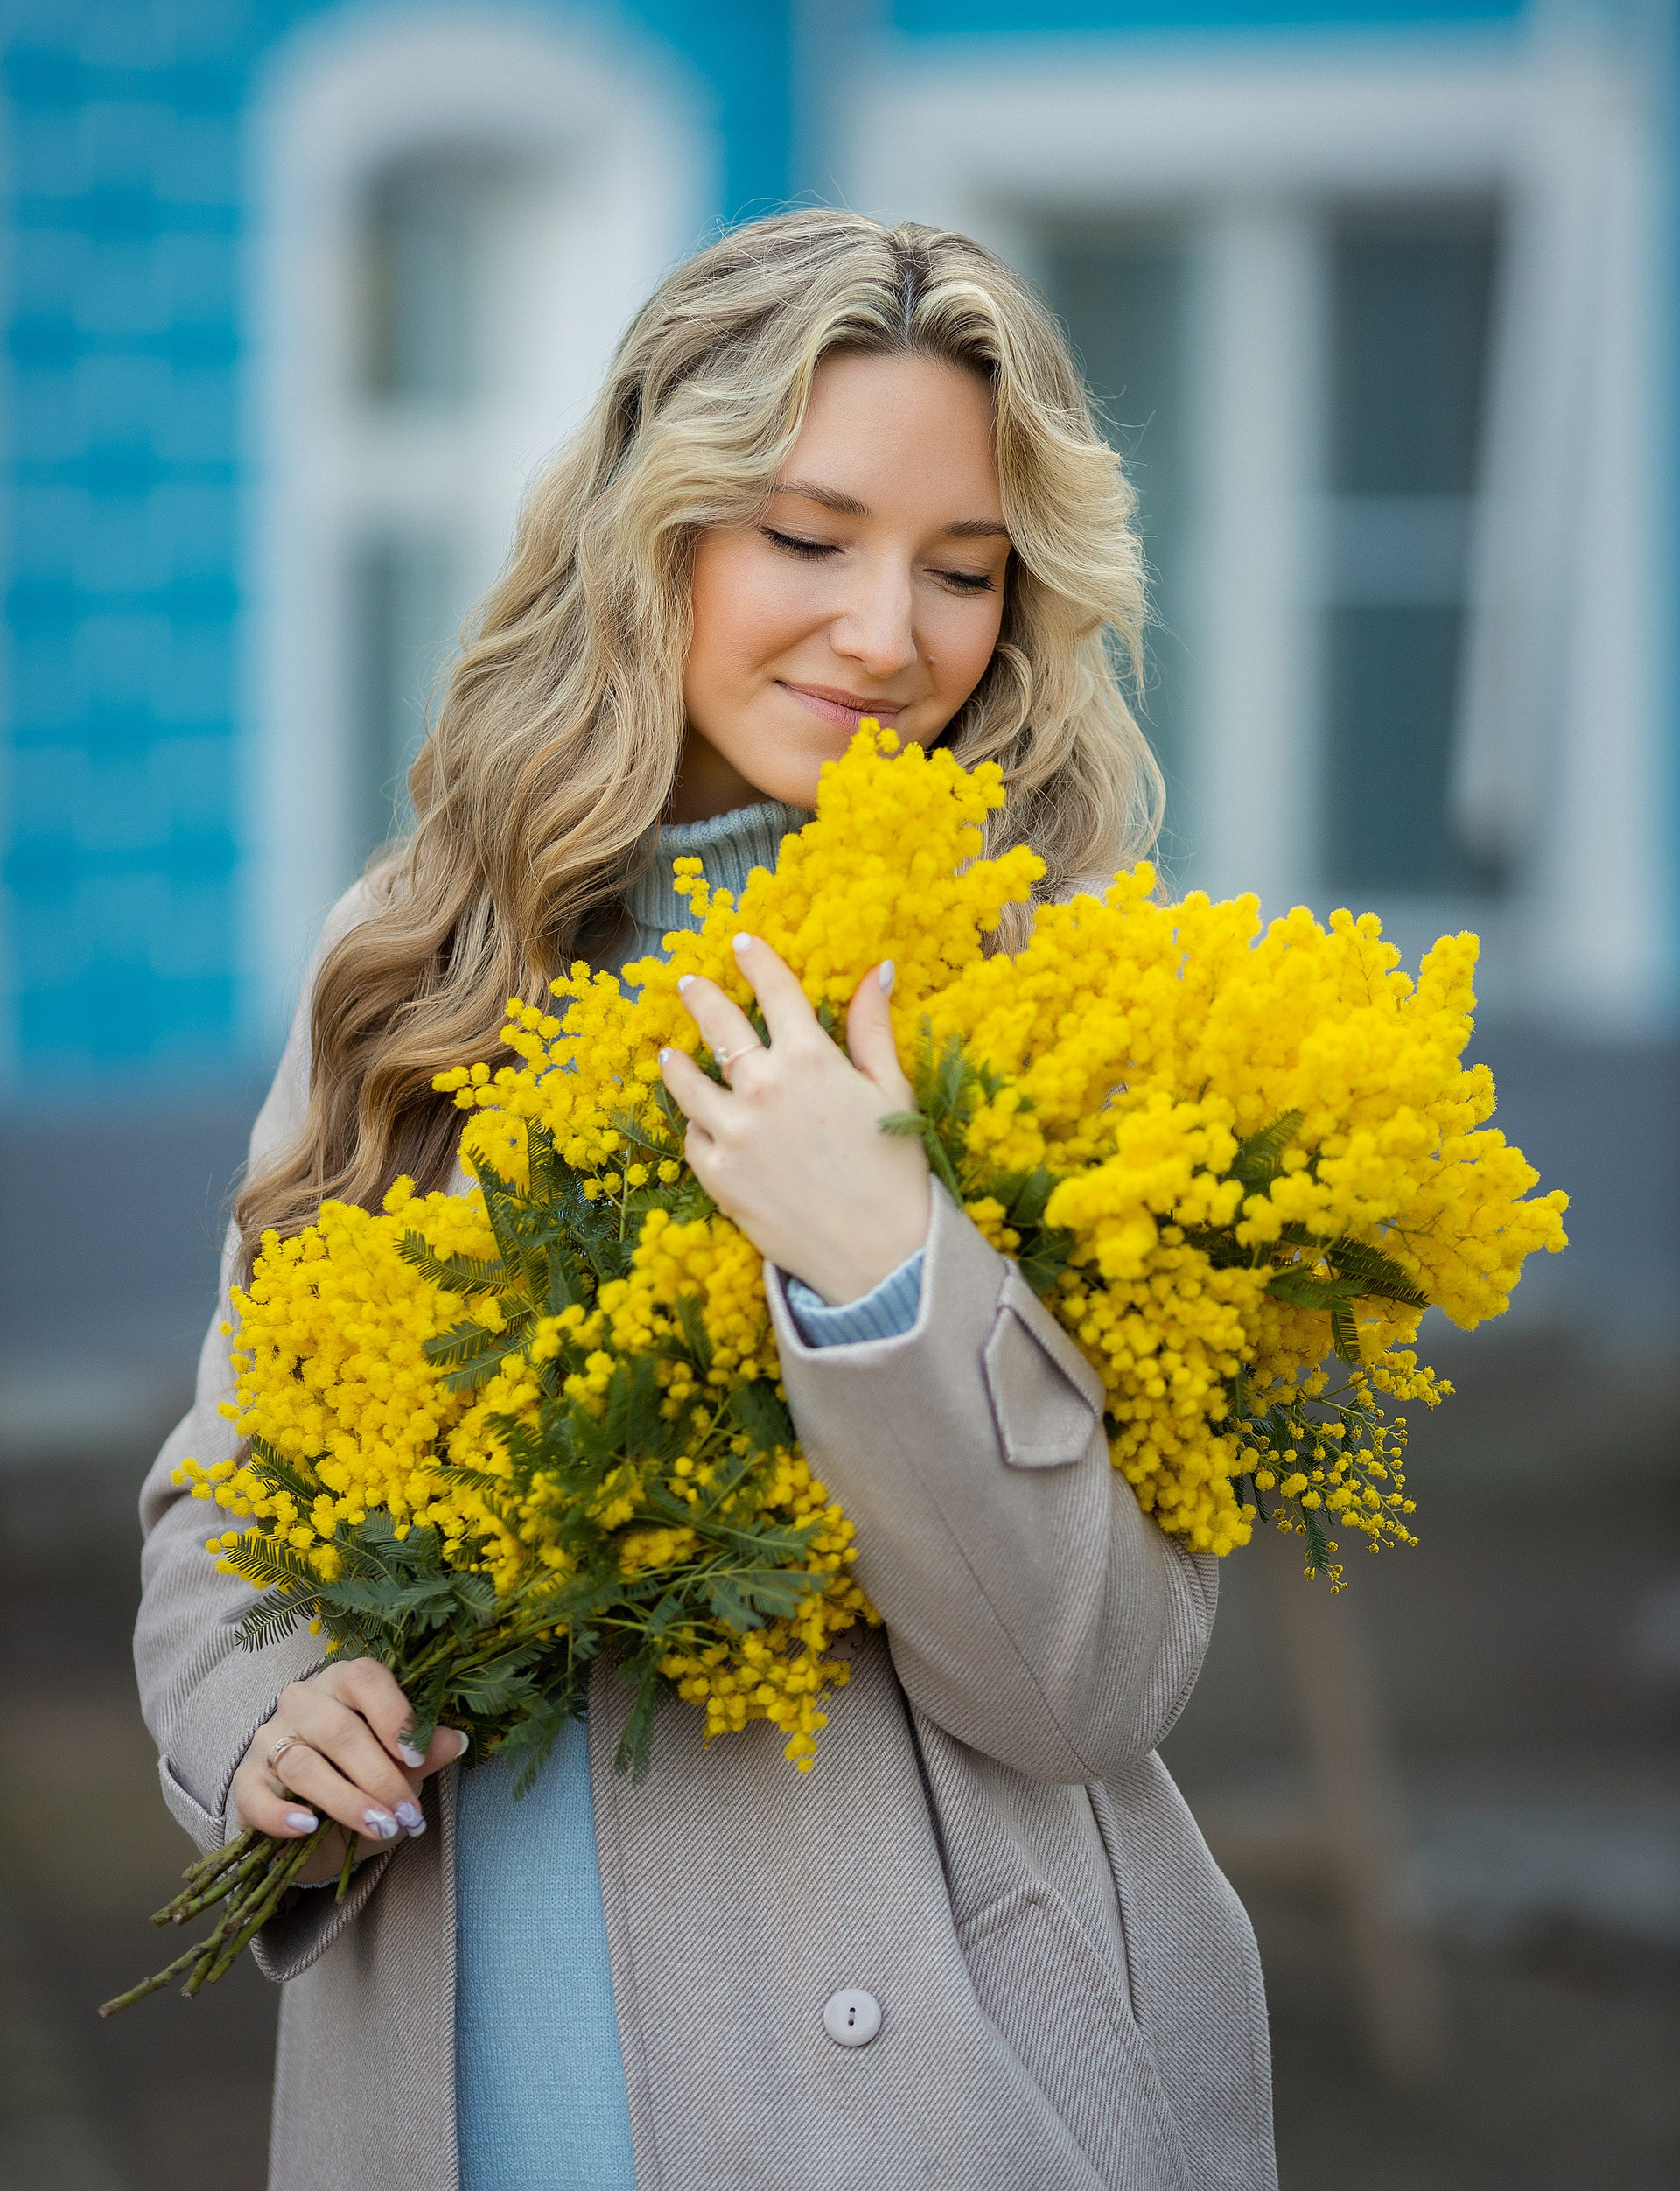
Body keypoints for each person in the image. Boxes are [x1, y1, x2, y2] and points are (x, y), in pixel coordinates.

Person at [136, 212, 1276, 2191]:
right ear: (650, 533)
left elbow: (1091, 1681)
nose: (887, 634)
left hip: (933, 2093)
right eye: (808, 536)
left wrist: (883, 1262)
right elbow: (228, 1489)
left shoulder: (1075, 994)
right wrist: (260, 1707)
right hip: (462, 2058)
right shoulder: (417, 957)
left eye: (963, 570)